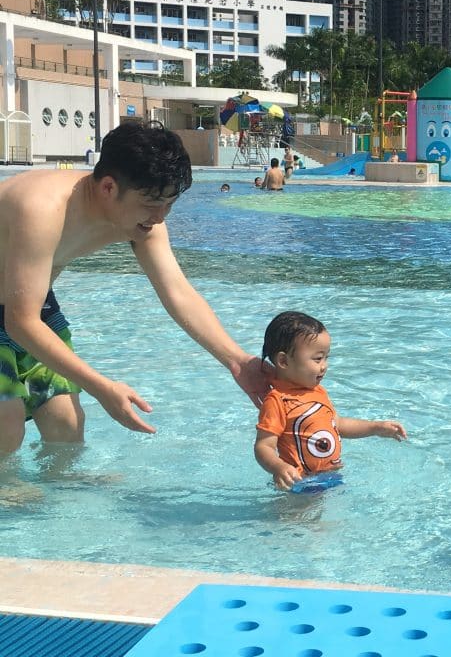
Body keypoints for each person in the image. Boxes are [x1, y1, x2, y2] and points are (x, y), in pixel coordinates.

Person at [0, 122, 268, 456]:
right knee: (6, 426)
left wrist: (237, 361)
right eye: (151, 203)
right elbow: (20, 322)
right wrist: (102, 388)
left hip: (31, 303)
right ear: (109, 187)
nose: (160, 216)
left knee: (65, 427)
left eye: (169, 204)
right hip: (22, 314)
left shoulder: (141, 223)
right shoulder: (42, 208)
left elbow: (178, 292)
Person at [254, 311, 407, 491]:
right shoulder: (278, 401)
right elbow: (264, 446)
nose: (324, 366)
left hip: (330, 476)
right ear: (284, 361)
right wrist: (279, 467)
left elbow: (338, 424)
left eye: (327, 358)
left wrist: (375, 427)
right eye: (318, 359)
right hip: (299, 484)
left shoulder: (318, 392)